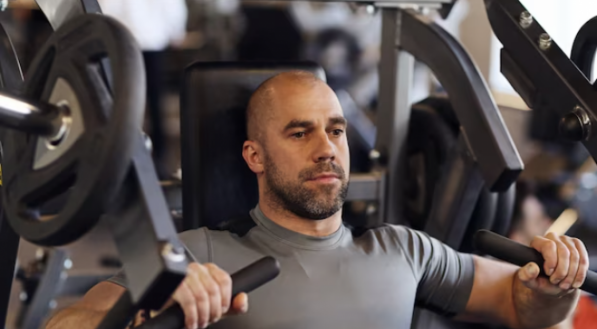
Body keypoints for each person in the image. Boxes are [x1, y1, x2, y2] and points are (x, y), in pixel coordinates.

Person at [46, 71, 589, 329]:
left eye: (336, 130)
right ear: (255, 157)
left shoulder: (405, 250)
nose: (327, 148)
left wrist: (554, 285)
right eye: (300, 133)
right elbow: (64, 324)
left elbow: (524, 308)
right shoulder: (198, 256)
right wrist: (143, 306)